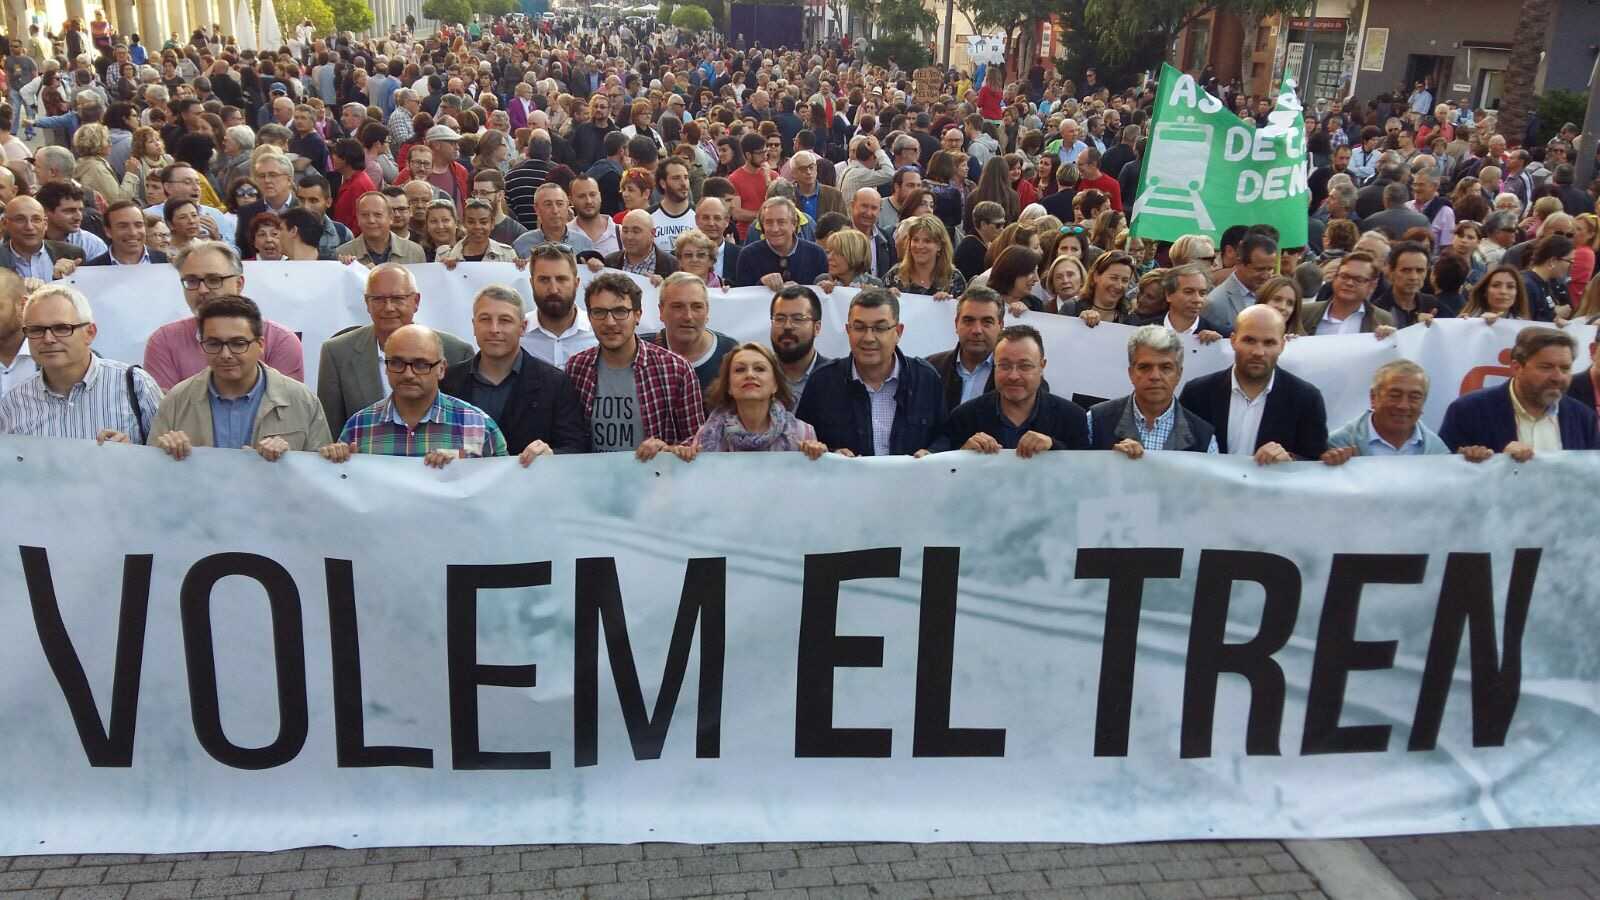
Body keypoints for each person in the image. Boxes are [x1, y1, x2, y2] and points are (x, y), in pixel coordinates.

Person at [149, 295, 331, 461]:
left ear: (260, 345)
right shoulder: (177, 401)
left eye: (238, 344)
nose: (225, 354)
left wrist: (288, 460)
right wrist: (164, 451)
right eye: (214, 344)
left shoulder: (302, 401)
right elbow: (152, 472)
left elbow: (321, 477)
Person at [320, 324, 508, 468]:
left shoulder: (478, 426)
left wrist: (461, 471)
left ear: (441, 369)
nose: (408, 374)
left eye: (421, 365)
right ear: (386, 367)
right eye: (397, 363)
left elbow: (504, 490)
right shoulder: (359, 427)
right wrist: (335, 461)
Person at [439, 284, 589, 464]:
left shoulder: (555, 383)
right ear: (474, 325)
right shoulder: (447, 381)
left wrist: (551, 456)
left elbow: (576, 448)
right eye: (485, 319)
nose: (494, 329)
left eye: (505, 320)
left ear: (523, 327)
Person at [316, 263, 474, 430]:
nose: (388, 308)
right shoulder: (337, 353)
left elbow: (466, 425)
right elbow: (330, 432)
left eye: (398, 299)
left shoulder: (456, 352)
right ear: (367, 303)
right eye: (378, 299)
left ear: (416, 301)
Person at [564, 272, 706, 458]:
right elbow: (568, 438)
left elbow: (697, 441)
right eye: (599, 312)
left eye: (620, 311)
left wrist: (668, 451)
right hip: (593, 482)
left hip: (655, 482)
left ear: (637, 315)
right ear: (589, 316)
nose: (610, 322)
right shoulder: (576, 368)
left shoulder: (675, 369)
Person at [795, 288, 949, 457]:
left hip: (910, 482)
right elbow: (803, 441)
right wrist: (830, 454)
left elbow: (945, 436)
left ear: (898, 332)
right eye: (859, 327)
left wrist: (931, 453)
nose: (868, 338)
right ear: (848, 330)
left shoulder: (926, 379)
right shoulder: (822, 382)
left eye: (880, 328)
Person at [0, 283, 163, 442]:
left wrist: (133, 456)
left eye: (62, 328)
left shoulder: (135, 385)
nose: (48, 339)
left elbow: (165, 460)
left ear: (90, 333)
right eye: (36, 330)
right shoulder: (14, 403)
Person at [1178, 304, 1329, 463]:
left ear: (1282, 345)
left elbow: (1315, 463)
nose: (1258, 352)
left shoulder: (1306, 398)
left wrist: (1289, 461)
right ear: (1233, 341)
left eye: (1269, 343)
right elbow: (1178, 454)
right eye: (1249, 340)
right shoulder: (1197, 393)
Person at [144, 241, 303, 390]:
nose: (202, 290)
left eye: (214, 280)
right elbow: (166, 412)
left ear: (239, 284)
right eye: (192, 281)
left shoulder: (280, 340)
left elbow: (285, 412)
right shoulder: (163, 342)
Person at [1439, 327, 1599, 459]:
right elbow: (1446, 475)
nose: (1557, 377)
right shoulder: (1469, 411)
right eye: (1546, 367)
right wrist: (1496, 462)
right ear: (1516, 368)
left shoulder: (1583, 418)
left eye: (1565, 368)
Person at [946, 323, 1089, 456]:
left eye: (1024, 366)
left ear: (1042, 366)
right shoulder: (964, 417)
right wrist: (963, 455)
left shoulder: (1072, 418)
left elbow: (1084, 474)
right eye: (1004, 365)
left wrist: (1054, 447)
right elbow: (947, 474)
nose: (1013, 376)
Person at [1090, 325, 1219, 455]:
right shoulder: (1095, 421)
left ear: (1179, 374)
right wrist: (1107, 462)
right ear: (1131, 373)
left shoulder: (1205, 439)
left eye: (1166, 367)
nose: (1155, 376)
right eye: (1145, 367)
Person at [686, 342, 825, 456]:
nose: (750, 375)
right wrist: (683, 454)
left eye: (759, 369)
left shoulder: (803, 433)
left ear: (775, 384)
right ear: (728, 386)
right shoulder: (706, 435)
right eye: (740, 370)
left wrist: (816, 454)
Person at [1321, 360, 1449, 462]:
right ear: (1373, 397)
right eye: (1395, 395)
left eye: (1414, 397)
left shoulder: (1437, 451)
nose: (1403, 406)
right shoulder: (1338, 445)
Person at [648, 272, 737, 389]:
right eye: (678, 306)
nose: (688, 316)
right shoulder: (641, 351)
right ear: (661, 311)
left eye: (697, 307)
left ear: (707, 311)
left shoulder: (730, 352)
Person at [924, 287, 1002, 412]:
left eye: (987, 322)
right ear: (956, 324)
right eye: (968, 321)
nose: (977, 330)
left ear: (1000, 326)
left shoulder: (1015, 378)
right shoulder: (929, 368)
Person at [736, 197, 827, 289]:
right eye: (769, 222)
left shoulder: (816, 254)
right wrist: (761, 284)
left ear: (794, 224)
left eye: (781, 222)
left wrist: (802, 292)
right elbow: (743, 299)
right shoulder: (748, 255)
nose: (775, 229)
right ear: (762, 226)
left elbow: (824, 296)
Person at [1301, 252, 1398, 336]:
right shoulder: (1305, 313)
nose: (1349, 283)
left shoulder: (1382, 320)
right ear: (1335, 278)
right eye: (1344, 276)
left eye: (1358, 279)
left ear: (1372, 285)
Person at [769, 284, 830, 404]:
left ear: (817, 328)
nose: (787, 326)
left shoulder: (835, 379)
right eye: (780, 319)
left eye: (797, 319)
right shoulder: (758, 377)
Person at [1, 196, 86, 280]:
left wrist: (60, 280)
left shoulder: (72, 254)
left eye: (36, 219)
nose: (29, 227)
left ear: (45, 224)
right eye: (20, 219)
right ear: (5, 224)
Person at [1203, 232, 1276, 329]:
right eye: (1259, 269)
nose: (1266, 276)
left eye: (1270, 269)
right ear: (1239, 263)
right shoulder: (1215, 303)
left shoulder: (1275, 294)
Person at [884, 215, 965, 299]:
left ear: (939, 245)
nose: (920, 246)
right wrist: (886, 297)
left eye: (927, 241)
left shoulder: (954, 278)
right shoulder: (895, 275)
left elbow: (963, 309)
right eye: (915, 240)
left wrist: (949, 304)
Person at [336, 191, 427, 265]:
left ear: (390, 218)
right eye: (365, 215)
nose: (371, 220)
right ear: (358, 218)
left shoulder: (414, 252)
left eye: (378, 215)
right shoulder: (343, 253)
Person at [1155, 263, 1228, 340]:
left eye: (1202, 293)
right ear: (1168, 295)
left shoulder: (1221, 335)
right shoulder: (1143, 331)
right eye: (1188, 292)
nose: (1197, 299)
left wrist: (1219, 346)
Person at [86, 199, 167, 265]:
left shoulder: (167, 263)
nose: (133, 233)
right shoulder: (92, 269)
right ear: (108, 231)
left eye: (138, 225)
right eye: (123, 226)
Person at [438, 197, 518, 263]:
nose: (477, 227)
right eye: (471, 222)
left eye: (483, 222)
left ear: (492, 223)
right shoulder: (445, 255)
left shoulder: (507, 254)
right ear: (464, 223)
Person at [604, 208, 678, 278]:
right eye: (625, 231)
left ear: (652, 233)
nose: (629, 237)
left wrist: (663, 287)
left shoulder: (672, 266)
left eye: (636, 231)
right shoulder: (609, 263)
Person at [1459, 265, 1532, 322]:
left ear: (1517, 293)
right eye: (1496, 285)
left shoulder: (1524, 327)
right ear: (1485, 291)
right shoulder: (1466, 319)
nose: (1503, 291)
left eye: (1510, 286)